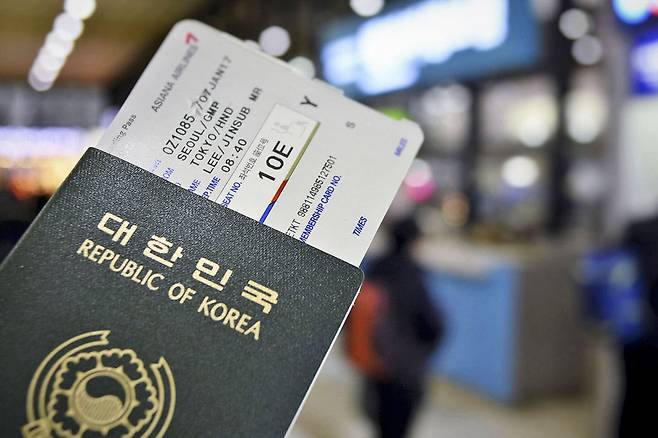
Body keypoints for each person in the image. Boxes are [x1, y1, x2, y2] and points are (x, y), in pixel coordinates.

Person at [348, 217, 443, 438]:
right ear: (414, 242)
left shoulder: (375, 269)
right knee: (399, 428)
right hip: (404, 371)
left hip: (377, 365)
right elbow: (431, 325)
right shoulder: (413, 275)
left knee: (381, 425)